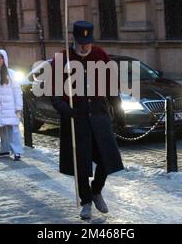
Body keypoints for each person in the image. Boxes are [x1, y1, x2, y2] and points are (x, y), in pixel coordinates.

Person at [50, 21, 124, 220]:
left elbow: (112, 86)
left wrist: (118, 110)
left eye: (88, 42)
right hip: (76, 119)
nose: (84, 47)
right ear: (74, 40)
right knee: (81, 164)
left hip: (99, 116)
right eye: (81, 42)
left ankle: (96, 190)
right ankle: (86, 202)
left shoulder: (100, 56)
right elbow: (54, 94)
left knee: (107, 159)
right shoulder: (62, 59)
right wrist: (66, 109)